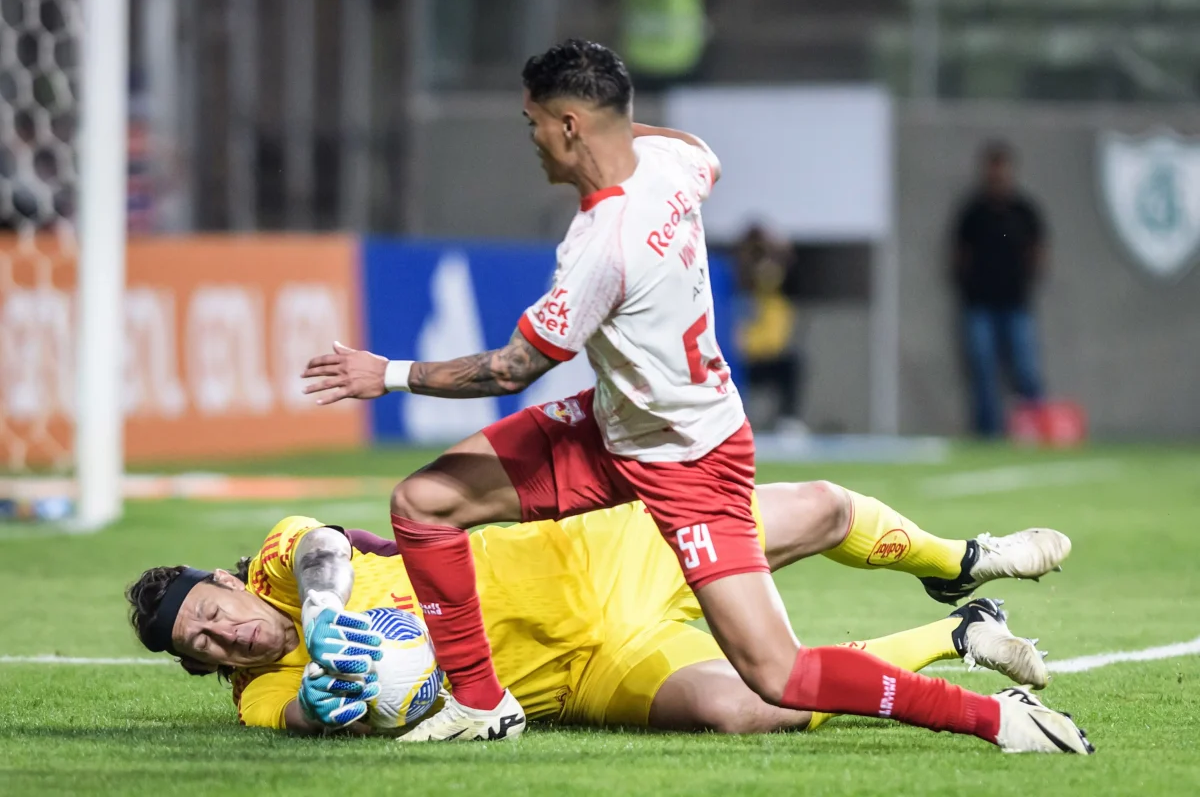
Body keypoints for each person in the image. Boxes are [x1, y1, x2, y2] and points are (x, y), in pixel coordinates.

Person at [299, 40, 1082, 752]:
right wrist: (624, 130)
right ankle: (481, 702)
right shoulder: (672, 167)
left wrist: (389, 374)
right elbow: (699, 154)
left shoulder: (600, 246)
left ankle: (998, 719)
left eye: (533, 122)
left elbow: (509, 371)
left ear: (571, 125)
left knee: (776, 676)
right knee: (424, 502)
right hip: (617, 426)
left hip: (688, 462)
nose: (530, 136)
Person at [127, 481, 1072, 742]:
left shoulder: (289, 564)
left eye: (213, 607)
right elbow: (294, 715)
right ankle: (959, 632)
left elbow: (328, 545)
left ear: (232, 578)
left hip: (597, 551)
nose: (225, 634)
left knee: (821, 511)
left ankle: (959, 562)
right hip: (583, 674)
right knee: (752, 707)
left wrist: (330, 617)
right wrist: (328, 710)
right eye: (203, 647)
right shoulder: (260, 695)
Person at [951, 141, 1049, 438]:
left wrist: (1028, 279)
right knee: (983, 371)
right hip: (980, 303)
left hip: (1016, 302)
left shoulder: (1024, 210)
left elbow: (1038, 250)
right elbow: (960, 254)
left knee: (1026, 370)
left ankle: (1036, 429)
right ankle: (988, 434)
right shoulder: (974, 212)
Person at [734, 224, 807, 435]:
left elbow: (792, 273)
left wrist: (779, 250)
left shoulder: (779, 285)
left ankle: (788, 420)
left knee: (793, 365)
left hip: (772, 354)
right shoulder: (738, 283)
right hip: (741, 356)